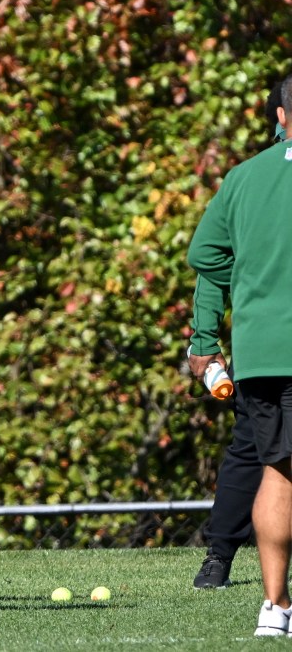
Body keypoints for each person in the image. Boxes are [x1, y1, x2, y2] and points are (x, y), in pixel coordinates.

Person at [188, 74, 292, 636]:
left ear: (280, 116)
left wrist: (207, 336)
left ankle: (273, 606)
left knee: (272, 467)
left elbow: (204, 255)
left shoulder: (244, 177)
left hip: (260, 351)